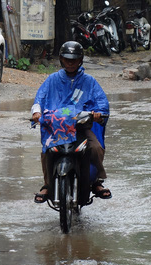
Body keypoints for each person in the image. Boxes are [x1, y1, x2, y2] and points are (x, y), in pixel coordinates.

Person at [31, 41, 111, 203]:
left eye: (74, 59)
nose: (70, 62)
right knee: (47, 151)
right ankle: (47, 184)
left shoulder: (89, 81)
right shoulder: (52, 79)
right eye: (67, 59)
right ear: (61, 59)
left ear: (80, 60)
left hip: (81, 127)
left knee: (95, 148)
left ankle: (96, 181)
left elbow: (101, 102)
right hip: (57, 129)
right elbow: (40, 98)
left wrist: (98, 113)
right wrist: (36, 112)